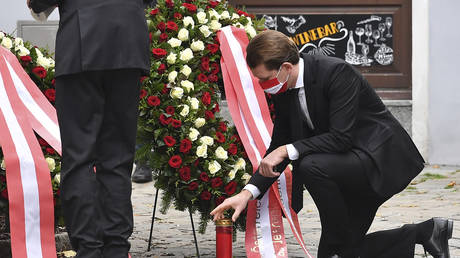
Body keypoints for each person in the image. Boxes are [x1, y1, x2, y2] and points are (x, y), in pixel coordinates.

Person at [211, 30, 453, 258]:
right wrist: (247, 193)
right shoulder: (284, 88)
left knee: (309, 164)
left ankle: (342, 242)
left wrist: (286, 150)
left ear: (285, 67)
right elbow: (278, 146)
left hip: (376, 160)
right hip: (342, 166)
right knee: (339, 253)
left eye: (264, 79)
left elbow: (341, 137)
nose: (263, 86)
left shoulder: (336, 72)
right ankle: (426, 231)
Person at [28, 0, 151, 257]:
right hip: (127, 42)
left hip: (81, 42)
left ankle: (89, 248)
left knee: (79, 157)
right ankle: (116, 247)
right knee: (118, 157)